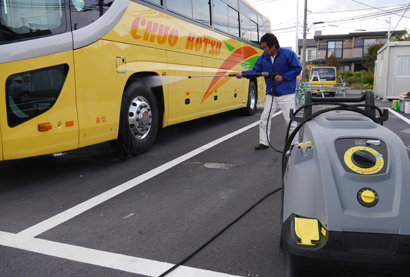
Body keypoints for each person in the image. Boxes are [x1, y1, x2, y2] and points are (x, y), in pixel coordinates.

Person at [236, 33, 302, 150]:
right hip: (271, 95)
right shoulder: (263, 58)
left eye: (265, 47)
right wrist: (243, 74)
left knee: (290, 121)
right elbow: (255, 71)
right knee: (264, 118)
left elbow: (297, 69)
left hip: (286, 95)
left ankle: (294, 145)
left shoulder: (288, 54)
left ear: (273, 47)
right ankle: (264, 142)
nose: (263, 49)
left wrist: (283, 77)